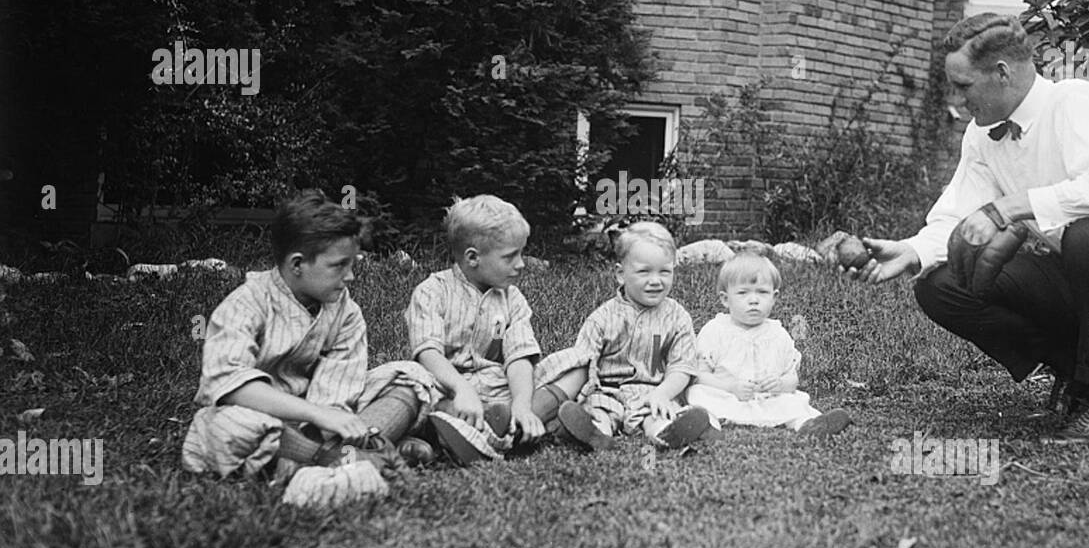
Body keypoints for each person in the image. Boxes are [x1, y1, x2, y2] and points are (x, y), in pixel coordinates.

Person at [849, 14, 1089, 439]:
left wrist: (1010, 207)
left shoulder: (1075, 101)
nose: (957, 98)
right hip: (1079, 282)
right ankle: (1076, 372)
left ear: (1002, 73)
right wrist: (911, 251)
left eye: (963, 85)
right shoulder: (981, 135)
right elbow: (956, 215)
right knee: (942, 286)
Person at [181, 190, 435, 482]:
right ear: (297, 264)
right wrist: (316, 414)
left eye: (352, 264)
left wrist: (326, 420)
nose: (350, 276)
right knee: (221, 427)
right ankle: (349, 455)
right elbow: (229, 386)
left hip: (325, 421)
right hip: (261, 415)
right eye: (339, 265)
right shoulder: (245, 304)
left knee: (411, 376)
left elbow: (338, 397)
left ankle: (322, 457)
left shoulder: (345, 311)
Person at [401, 195, 587, 466]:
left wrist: (522, 403)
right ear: (473, 257)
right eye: (510, 256)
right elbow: (427, 352)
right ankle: (527, 428)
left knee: (579, 362)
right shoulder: (432, 292)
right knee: (410, 383)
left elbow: (518, 357)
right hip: (448, 388)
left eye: (521, 254)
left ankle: (504, 425)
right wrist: (461, 389)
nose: (521, 264)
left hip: (499, 390)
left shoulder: (512, 298)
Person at [555, 221, 713, 451]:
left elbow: (682, 366)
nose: (656, 280)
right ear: (621, 274)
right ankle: (596, 433)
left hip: (652, 391)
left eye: (665, 271)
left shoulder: (677, 317)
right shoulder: (603, 318)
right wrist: (586, 395)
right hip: (609, 391)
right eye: (644, 272)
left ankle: (666, 432)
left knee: (656, 414)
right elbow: (583, 364)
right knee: (599, 410)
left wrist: (662, 394)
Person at [687, 252, 852, 436]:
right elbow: (700, 375)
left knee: (792, 402)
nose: (754, 300)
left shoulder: (778, 334)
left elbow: (792, 380)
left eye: (762, 292)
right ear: (725, 299)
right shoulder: (715, 330)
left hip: (769, 399)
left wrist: (780, 384)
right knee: (698, 394)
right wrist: (730, 387)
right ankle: (707, 427)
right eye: (743, 293)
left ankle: (808, 425)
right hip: (727, 395)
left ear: (774, 297)